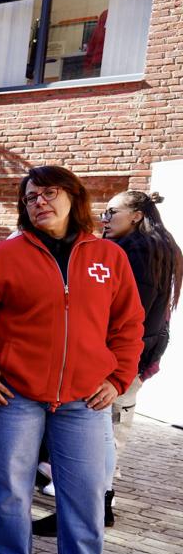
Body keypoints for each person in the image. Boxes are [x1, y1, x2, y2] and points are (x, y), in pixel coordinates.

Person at [0, 166, 144, 554]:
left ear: (73, 197)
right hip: (15, 396)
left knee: (84, 491)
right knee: (12, 490)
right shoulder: (2, 257)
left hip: (84, 398)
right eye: (31, 197)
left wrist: (117, 380)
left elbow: (129, 325)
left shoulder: (109, 257)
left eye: (50, 193)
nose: (40, 202)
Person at [99, 190, 183, 524]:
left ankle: (100, 504)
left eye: (111, 212)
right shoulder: (158, 247)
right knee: (112, 427)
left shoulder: (138, 251)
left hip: (122, 357)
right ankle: (98, 500)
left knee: (106, 428)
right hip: (137, 354)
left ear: (135, 215)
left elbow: (129, 313)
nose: (104, 219)